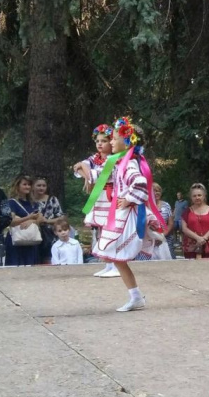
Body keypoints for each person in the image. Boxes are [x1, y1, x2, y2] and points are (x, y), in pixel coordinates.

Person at [85, 117, 163, 312]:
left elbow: (141, 184)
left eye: (114, 138)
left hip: (128, 215)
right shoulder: (118, 162)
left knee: (114, 251)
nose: (111, 141)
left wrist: (128, 199)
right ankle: (136, 296)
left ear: (127, 142)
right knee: (118, 258)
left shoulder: (129, 164)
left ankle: (148, 235)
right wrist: (82, 167)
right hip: (123, 213)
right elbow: (99, 176)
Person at [73, 124, 119, 277]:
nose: (100, 144)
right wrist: (83, 168)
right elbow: (79, 168)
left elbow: (95, 176)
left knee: (111, 231)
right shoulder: (96, 158)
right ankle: (107, 263)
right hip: (100, 197)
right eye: (98, 140)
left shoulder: (114, 158)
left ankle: (116, 265)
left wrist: (84, 169)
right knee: (101, 230)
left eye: (104, 141)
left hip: (112, 197)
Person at [5, 175, 41, 266]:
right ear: (17, 186)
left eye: (29, 184)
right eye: (24, 184)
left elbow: (40, 219)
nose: (27, 187)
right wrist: (28, 218)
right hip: (16, 240)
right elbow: (11, 222)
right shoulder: (11, 202)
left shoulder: (34, 203)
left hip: (31, 240)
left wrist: (31, 221)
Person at [180, 183, 209, 259]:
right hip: (191, 248)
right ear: (191, 198)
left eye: (199, 195)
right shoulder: (187, 211)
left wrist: (204, 238)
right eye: (194, 196)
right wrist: (198, 238)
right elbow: (184, 228)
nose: (197, 197)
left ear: (204, 196)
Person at [32, 177, 66, 264]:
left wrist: (46, 221)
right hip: (32, 234)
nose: (41, 188)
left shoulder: (52, 199)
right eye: (38, 185)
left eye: (44, 186)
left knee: (48, 258)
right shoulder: (29, 200)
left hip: (49, 234)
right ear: (33, 187)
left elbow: (61, 217)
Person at [152, 183, 176, 259]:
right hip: (151, 241)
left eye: (158, 191)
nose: (157, 193)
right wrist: (154, 237)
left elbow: (170, 223)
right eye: (154, 191)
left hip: (165, 239)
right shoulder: (145, 206)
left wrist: (161, 236)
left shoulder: (166, 205)